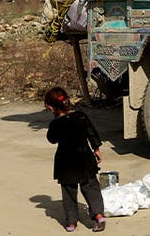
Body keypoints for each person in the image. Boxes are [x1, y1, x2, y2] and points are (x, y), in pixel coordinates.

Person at [44, 86, 106, 233]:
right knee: (91, 188)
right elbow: (92, 133)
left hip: (65, 163)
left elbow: (51, 139)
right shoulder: (81, 116)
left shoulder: (55, 124)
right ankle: (98, 215)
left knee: (69, 192)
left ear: (51, 107)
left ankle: (71, 223)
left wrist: (56, 120)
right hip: (85, 158)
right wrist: (96, 149)